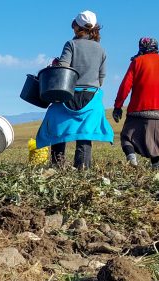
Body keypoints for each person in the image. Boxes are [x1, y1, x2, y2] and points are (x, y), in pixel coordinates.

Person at [36, 10, 114, 170]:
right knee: (85, 134)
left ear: (77, 27)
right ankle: (82, 168)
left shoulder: (71, 44)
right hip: (91, 97)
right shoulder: (101, 50)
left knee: (58, 126)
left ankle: (57, 166)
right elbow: (101, 78)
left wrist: (56, 64)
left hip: (69, 95)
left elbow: (63, 67)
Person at [113, 37, 159, 168]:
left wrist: (117, 106)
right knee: (155, 146)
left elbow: (125, 86)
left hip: (138, 111)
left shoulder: (137, 62)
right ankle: (156, 169)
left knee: (126, 138)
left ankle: (133, 162)